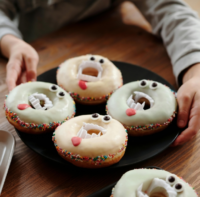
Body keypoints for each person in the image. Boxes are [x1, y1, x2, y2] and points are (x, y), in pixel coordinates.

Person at [0, 0, 200, 146]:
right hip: (31, 49)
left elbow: (173, 12)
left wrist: (195, 69)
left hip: (108, 30)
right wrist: (10, 42)